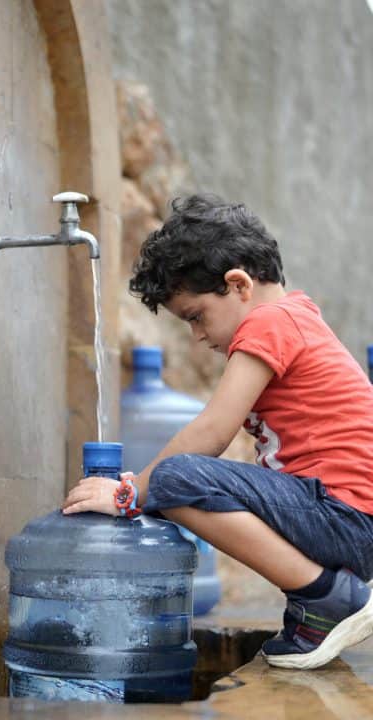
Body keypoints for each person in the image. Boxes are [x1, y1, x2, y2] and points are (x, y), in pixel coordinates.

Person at [62, 194, 373, 670]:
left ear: (238, 284)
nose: (197, 336)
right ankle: (319, 602)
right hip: (344, 515)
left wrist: (129, 493)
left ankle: (326, 598)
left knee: (175, 479)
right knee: (174, 482)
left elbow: (213, 431)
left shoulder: (270, 322)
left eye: (195, 316)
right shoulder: (294, 315)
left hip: (344, 516)